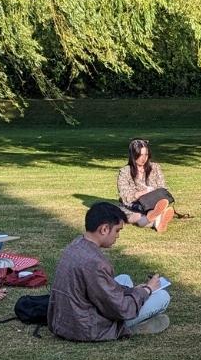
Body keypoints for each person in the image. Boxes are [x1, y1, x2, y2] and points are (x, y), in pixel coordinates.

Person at [49, 202, 171, 341]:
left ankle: (135, 321)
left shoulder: (76, 244)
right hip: (86, 327)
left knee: (124, 278)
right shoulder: (95, 262)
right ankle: (128, 328)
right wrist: (147, 290)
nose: (117, 236)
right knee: (162, 297)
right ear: (104, 229)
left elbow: (101, 290)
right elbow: (120, 309)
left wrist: (134, 291)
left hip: (63, 321)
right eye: (117, 231)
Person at [116, 138, 175, 232]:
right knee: (135, 216)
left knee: (150, 210)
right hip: (135, 204)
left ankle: (156, 215)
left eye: (146, 154)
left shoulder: (155, 167)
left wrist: (151, 192)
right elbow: (125, 196)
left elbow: (162, 188)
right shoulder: (124, 172)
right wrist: (144, 192)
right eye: (140, 155)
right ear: (133, 155)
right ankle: (158, 219)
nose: (144, 158)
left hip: (154, 202)